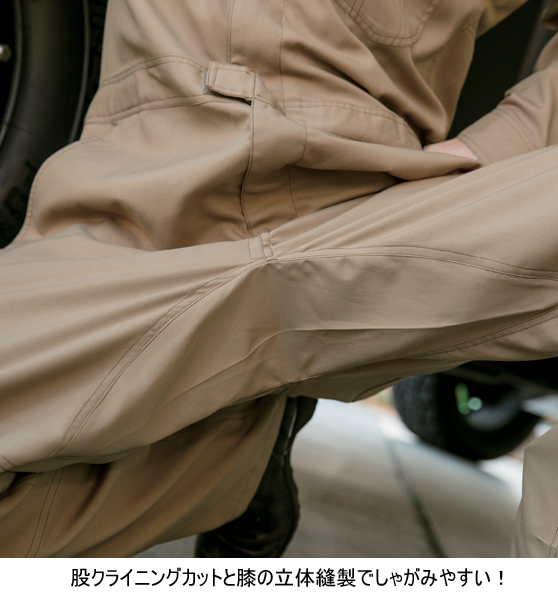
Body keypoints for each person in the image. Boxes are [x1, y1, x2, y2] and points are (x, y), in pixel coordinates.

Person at [1, 0, 558, 557]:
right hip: (128, 150)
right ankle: (243, 462)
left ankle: (244, 454)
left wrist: (496, 144)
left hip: (313, 165)